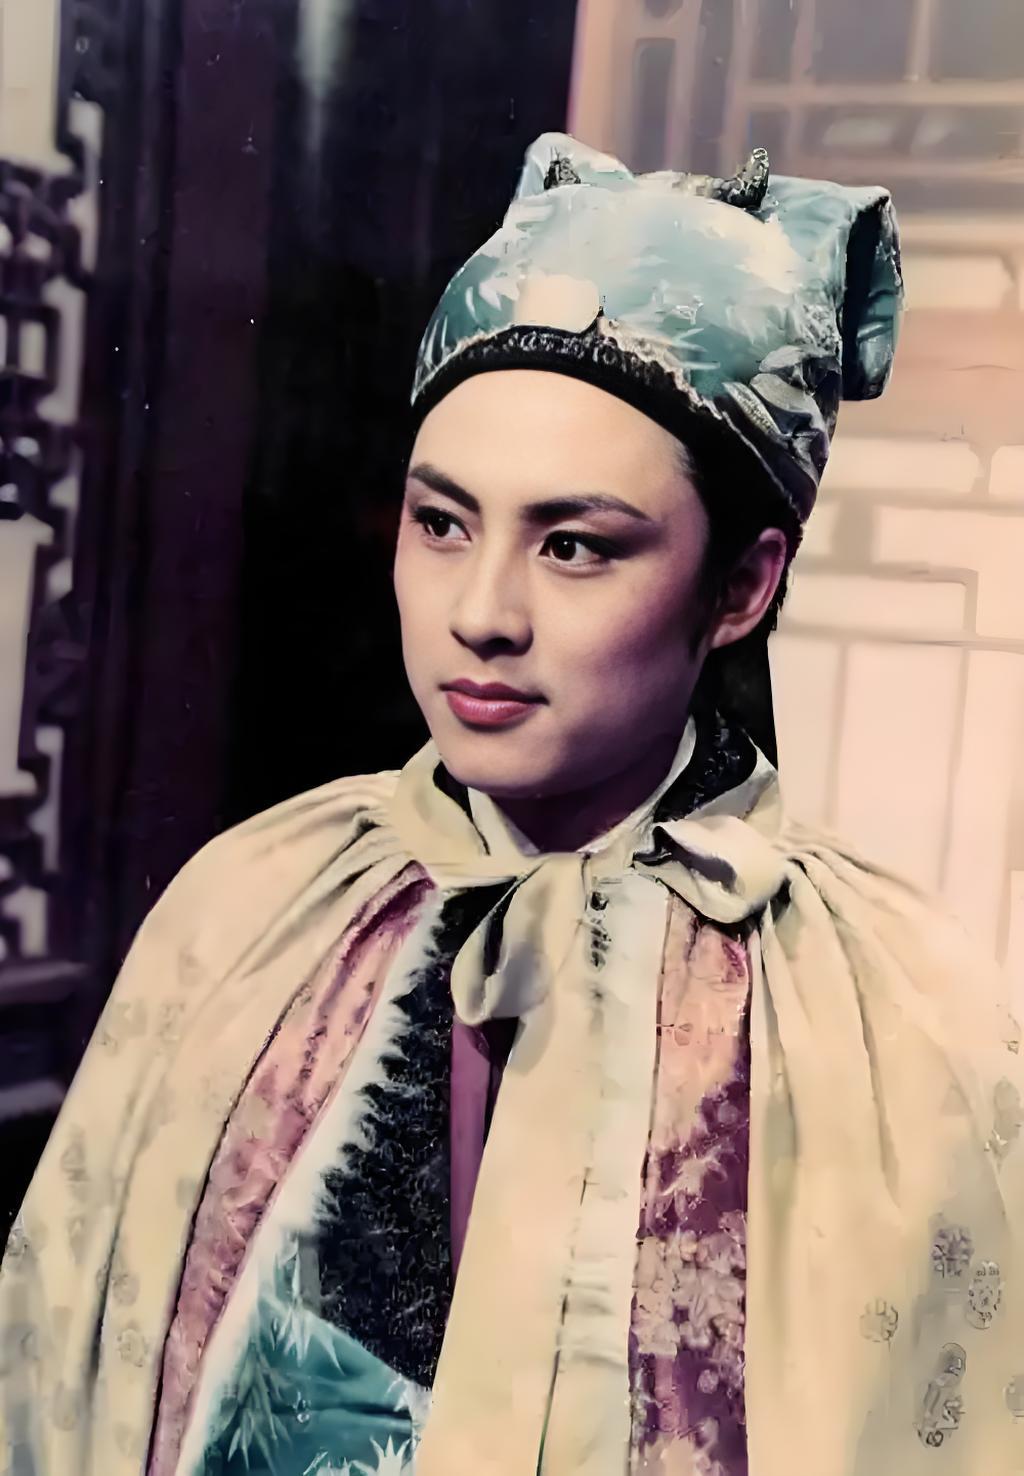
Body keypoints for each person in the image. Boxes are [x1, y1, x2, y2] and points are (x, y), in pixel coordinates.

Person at [1, 132, 1021, 1476]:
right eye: (441, 523)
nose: (481, 614)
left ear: (742, 586)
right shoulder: (249, 906)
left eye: (575, 545)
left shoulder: (898, 1015)